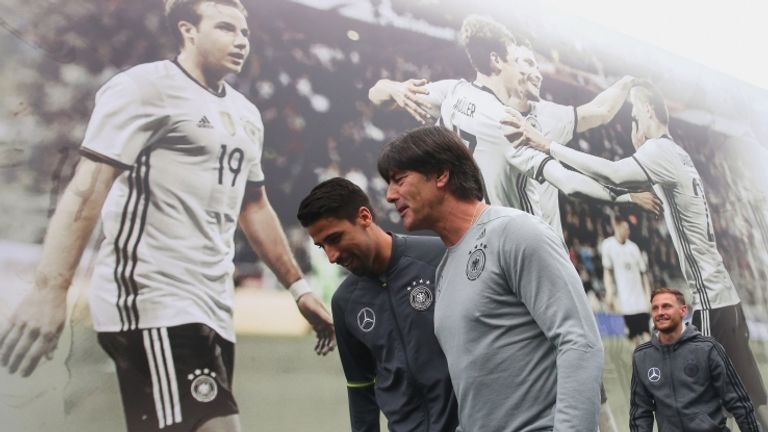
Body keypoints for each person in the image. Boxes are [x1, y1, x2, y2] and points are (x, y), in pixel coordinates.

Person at [0, 1, 335, 431]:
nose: (240, 41)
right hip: (151, 297)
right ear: (187, 31)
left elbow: (253, 205)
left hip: (211, 304)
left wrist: (299, 289)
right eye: (225, 28)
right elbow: (88, 188)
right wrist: (50, 289)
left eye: (245, 32)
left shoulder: (246, 115)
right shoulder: (143, 88)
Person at [514, 80, 768, 426]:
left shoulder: (660, 152)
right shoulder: (678, 153)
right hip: (729, 301)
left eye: (635, 112)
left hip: (710, 302)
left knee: (699, 407)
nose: (634, 119)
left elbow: (614, 174)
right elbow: (639, 184)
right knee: (753, 400)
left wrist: (549, 145)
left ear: (648, 110)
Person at [378, 126, 603, 431]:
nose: (390, 195)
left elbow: (580, 342)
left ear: (441, 175)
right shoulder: (444, 269)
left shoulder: (517, 232)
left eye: (399, 180)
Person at [368, 15, 661, 237]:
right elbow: (569, 181)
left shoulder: (543, 114)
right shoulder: (503, 121)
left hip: (514, 238)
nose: (533, 71)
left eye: (535, 65)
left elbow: (600, 111)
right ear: (502, 62)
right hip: (517, 240)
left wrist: (627, 81)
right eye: (523, 62)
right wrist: (394, 87)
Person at [297, 177, 458, 432]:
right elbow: (360, 389)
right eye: (321, 246)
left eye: (335, 238)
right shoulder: (344, 302)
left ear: (364, 217)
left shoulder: (440, 257)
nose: (331, 256)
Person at [630, 288, 760, 431]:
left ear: (683, 311)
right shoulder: (642, 356)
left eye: (667, 306)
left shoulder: (708, 348)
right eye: (655, 308)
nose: (660, 312)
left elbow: (739, 403)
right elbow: (640, 413)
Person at [601, 215, 652, 345]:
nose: (628, 231)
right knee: (632, 339)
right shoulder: (608, 246)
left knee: (647, 335)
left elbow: (643, 274)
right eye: (625, 227)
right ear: (616, 227)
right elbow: (608, 272)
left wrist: (648, 296)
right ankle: (637, 364)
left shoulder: (633, 248)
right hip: (625, 303)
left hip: (640, 302)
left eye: (628, 228)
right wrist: (609, 294)